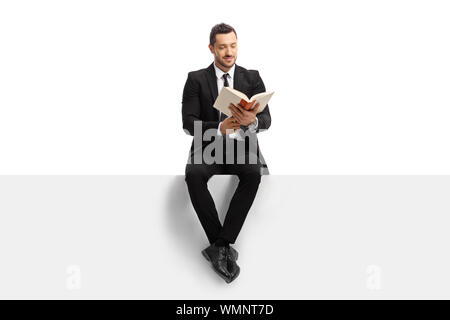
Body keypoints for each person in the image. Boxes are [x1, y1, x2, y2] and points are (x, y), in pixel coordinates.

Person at [181, 23, 272, 283]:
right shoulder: (195, 79)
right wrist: (219, 127)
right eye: (222, 47)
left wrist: (252, 121)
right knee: (194, 175)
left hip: (241, 147)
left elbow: (267, 119)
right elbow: (188, 122)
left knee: (254, 173)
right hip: (209, 145)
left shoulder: (251, 77)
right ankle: (222, 247)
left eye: (233, 45)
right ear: (212, 48)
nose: (229, 51)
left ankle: (220, 246)